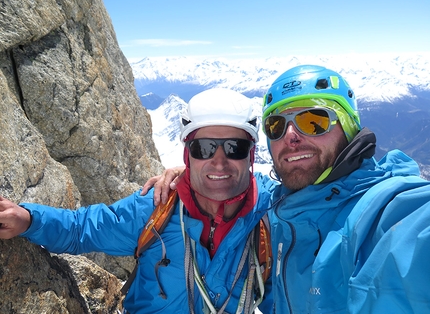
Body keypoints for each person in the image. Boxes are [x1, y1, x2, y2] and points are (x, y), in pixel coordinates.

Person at [148, 65, 430, 313]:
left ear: (348, 127)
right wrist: (200, 173)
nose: (292, 136)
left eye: (314, 121)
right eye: (277, 125)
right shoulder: (275, 204)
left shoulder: (386, 211)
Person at [0, 88, 275, 314]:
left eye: (234, 148)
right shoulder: (157, 208)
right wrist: (29, 219)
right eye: (202, 148)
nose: (218, 161)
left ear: (251, 156)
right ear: (186, 156)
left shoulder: (272, 212)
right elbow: (81, 229)